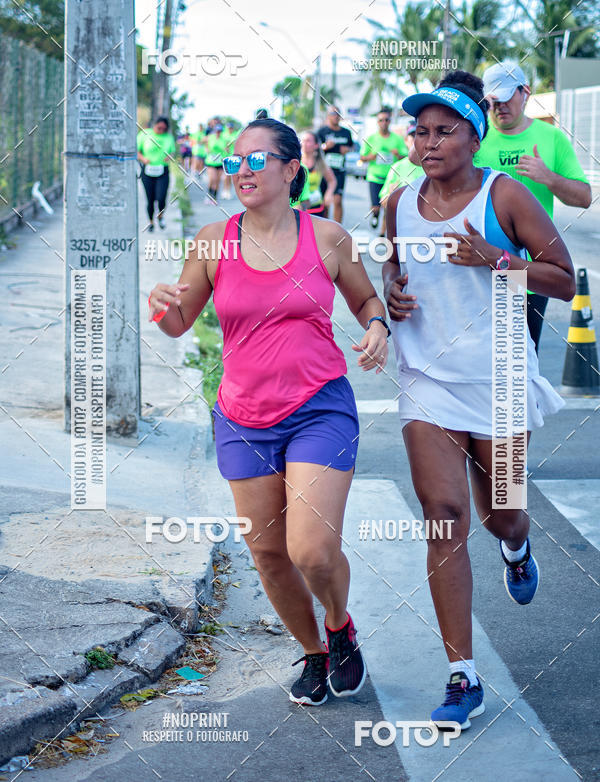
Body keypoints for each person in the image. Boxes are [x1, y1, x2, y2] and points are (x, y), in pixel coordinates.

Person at [149, 117, 391, 707]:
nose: (242, 171)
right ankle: (313, 652)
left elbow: (363, 297)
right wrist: (161, 307)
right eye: (235, 162)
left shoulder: (328, 238)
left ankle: (339, 625)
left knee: (311, 547)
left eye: (257, 160)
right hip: (241, 417)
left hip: (319, 408)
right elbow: (181, 320)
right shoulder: (213, 241)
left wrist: (378, 326)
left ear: (290, 169)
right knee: (267, 552)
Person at [384, 71, 575, 731]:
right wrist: (391, 293)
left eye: (444, 131)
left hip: (498, 374)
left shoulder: (508, 195)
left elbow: (564, 279)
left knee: (504, 517)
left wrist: (496, 259)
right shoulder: (399, 201)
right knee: (442, 514)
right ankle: (461, 674)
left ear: (474, 136)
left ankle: (517, 548)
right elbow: (392, 266)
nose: (428, 141)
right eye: (420, 130)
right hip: (426, 378)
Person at [475, 61, 591, 352]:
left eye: (505, 97)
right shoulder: (476, 138)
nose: (499, 106)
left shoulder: (551, 138)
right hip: (478, 269)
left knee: (521, 365)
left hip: (529, 274)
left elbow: (584, 197)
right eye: (493, 100)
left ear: (525, 92)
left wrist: (548, 178)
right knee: (478, 362)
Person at [360, 107, 407, 232]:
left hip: (391, 178)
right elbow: (362, 157)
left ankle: (382, 232)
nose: (384, 123)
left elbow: (405, 156)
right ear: (377, 122)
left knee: (387, 205)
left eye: (386, 120)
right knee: (376, 206)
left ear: (390, 121)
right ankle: (375, 215)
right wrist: (372, 156)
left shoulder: (397, 139)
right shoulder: (371, 138)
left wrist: (398, 154)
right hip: (374, 177)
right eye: (381, 120)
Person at [137, 116, 176, 232]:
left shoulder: (168, 137)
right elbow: (137, 151)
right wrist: (143, 159)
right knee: (150, 199)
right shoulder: (145, 134)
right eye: (159, 128)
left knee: (161, 197)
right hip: (147, 171)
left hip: (162, 171)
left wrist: (169, 157)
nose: (161, 131)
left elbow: (172, 152)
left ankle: (161, 216)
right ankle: (150, 222)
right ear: (154, 125)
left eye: (164, 129)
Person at [316, 106, 353, 223]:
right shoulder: (322, 132)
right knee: (325, 202)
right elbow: (315, 148)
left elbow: (352, 146)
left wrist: (348, 149)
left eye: (338, 114)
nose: (336, 116)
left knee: (337, 200)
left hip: (339, 171)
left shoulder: (346, 132)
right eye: (333, 113)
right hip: (324, 171)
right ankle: (325, 227)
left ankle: (338, 227)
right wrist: (325, 147)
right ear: (328, 116)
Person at [293, 130, 337, 217]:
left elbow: (332, 181)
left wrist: (329, 194)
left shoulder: (320, 163)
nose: (304, 143)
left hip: (315, 205)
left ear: (316, 145)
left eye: (308, 141)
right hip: (297, 205)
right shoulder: (295, 162)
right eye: (303, 140)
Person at [378, 121, 423, 205]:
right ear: (406, 140)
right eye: (413, 136)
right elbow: (383, 201)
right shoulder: (397, 167)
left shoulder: (434, 166)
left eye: (421, 135)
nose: (417, 140)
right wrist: (391, 195)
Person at [203, 123, 228, 204]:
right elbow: (203, 141)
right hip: (211, 161)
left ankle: (214, 198)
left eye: (220, 131)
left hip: (220, 162)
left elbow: (226, 149)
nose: (218, 132)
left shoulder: (224, 139)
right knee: (212, 179)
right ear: (215, 131)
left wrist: (226, 150)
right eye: (217, 131)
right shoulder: (210, 137)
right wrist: (206, 148)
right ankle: (209, 195)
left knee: (217, 180)